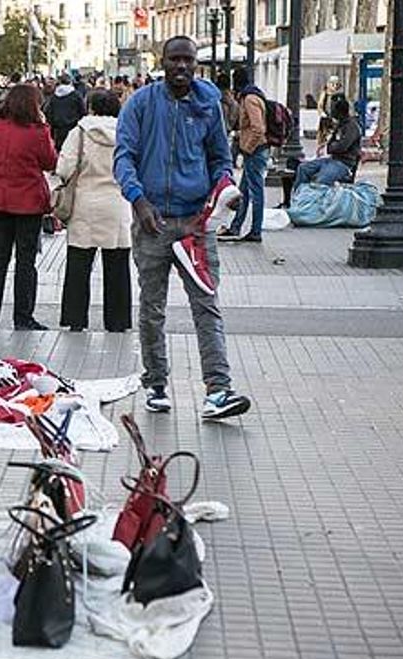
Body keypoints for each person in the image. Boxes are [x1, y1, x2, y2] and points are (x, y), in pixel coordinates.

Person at [114, 35, 251, 421]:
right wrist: (138, 200)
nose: (182, 68)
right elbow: (124, 156)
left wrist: (224, 191)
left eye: (188, 61)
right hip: (152, 220)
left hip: (196, 223)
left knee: (206, 304)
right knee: (152, 306)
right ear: (162, 62)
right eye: (174, 60)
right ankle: (156, 383)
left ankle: (219, 390)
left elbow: (221, 159)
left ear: (195, 63)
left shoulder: (208, 104)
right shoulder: (141, 104)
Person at [0, 83, 57, 332]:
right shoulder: (37, 132)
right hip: (28, 204)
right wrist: (44, 127)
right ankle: (23, 317)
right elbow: (50, 162)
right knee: (25, 262)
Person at [56, 90, 132, 333]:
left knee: (79, 265)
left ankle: (76, 319)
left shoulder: (79, 132)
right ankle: (118, 321)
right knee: (118, 266)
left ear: (90, 107)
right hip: (117, 205)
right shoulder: (126, 132)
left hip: (85, 204)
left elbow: (65, 167)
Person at [218, 67, 267, 243]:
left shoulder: (250, 99)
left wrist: (247, 147)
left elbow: (258, 128)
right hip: (254, 151)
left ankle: (255, 231)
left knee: (256, 191)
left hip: (255, 151)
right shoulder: (253, 95)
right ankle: (236, 226)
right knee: (244, 191)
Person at [290, 97, 361, 199]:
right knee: (303, 169)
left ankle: (313, 205)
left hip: (344, 164)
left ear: (340, 111)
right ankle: (298, 198)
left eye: (333, 110)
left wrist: (330, 147)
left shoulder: (351, 127)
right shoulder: (340, 125)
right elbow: (332, 143)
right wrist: (329, 146)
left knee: (321, 180)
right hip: (332, 159)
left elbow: (342, 146)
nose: (331, 113)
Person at [45, 74, 86, 151]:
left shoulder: (54, 96)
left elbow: (49, 113)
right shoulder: (76, 95)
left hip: (58, 130)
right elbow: (83, 112)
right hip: (73, 128)